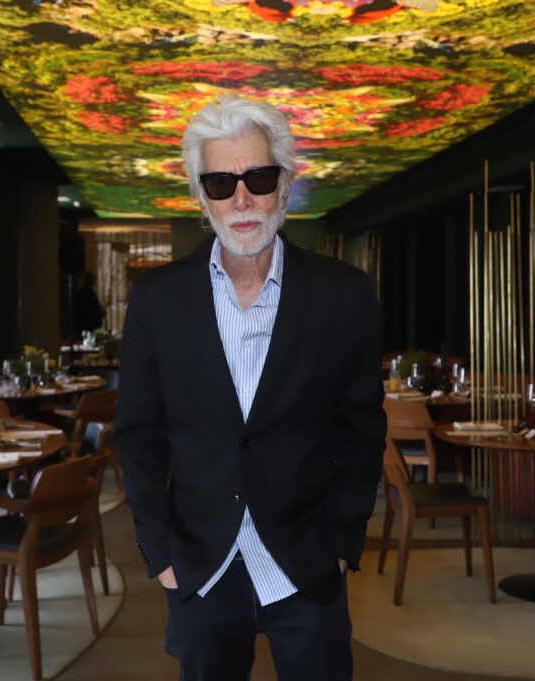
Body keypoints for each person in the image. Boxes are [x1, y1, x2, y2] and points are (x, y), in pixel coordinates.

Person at [114, 94, 385, 681]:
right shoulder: (158, 299)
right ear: (201, 197)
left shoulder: (345, 294)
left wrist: (344, 540)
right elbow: (138, 434)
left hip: (309, 563)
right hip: (201, 567)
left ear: (284, 186)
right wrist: (158, 551)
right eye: (220, 183)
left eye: (258, 178)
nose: (241, 199)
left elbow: (362, 429)